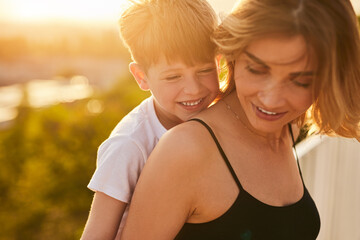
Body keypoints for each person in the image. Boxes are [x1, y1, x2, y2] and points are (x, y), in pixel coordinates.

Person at [121, 0, 360, 239]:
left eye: (300, 81)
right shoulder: (185, 151)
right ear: (233, 56)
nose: (271, 101)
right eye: (257, 70)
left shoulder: (289, 127)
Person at [80, 0, 221, 239]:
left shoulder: (220, 117)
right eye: (173, 76)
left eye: (204, 70)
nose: (193, 89)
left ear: (219, 62)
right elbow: (97, 234)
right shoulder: (129, 145)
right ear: (141, 77)